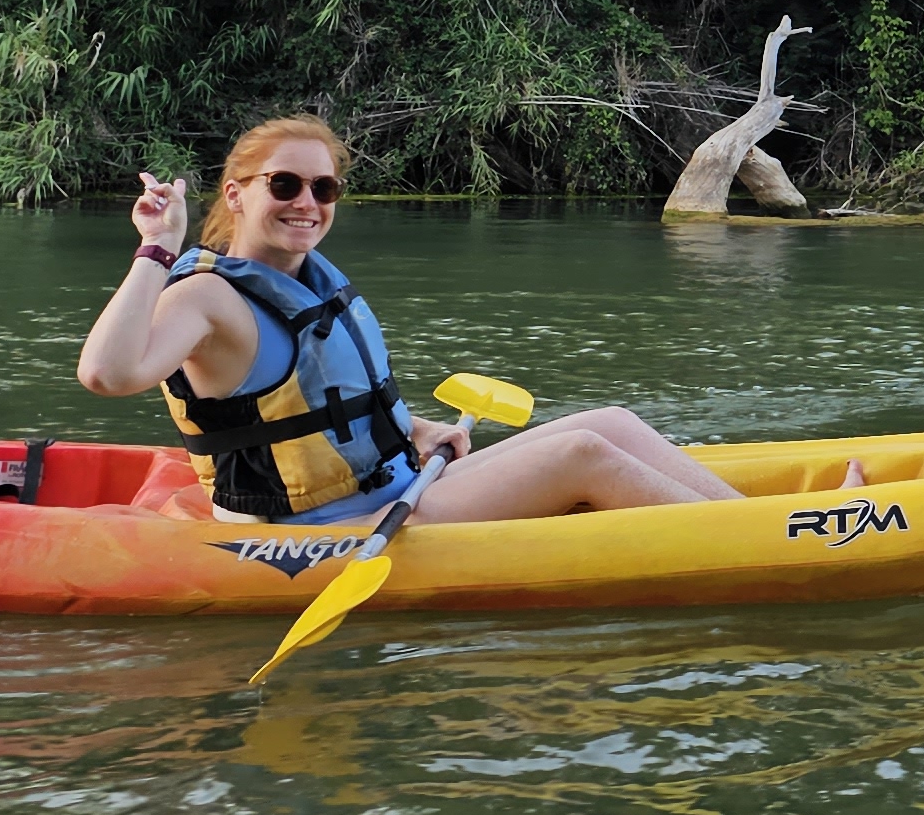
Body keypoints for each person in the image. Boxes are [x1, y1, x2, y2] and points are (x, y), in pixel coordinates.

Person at [76, 114, 744, 522]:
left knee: (612, 422)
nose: (306, 202)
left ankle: (771, 520)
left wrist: (414, 427)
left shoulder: (303, 280)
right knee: (582, 454)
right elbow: (107, 374)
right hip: (325, 526)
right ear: (237, 194)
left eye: (324, 188)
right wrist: (158, 247)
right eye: (284, 185)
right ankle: (770, 540)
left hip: (391, 485)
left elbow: (315, 405)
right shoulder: (205, 296)